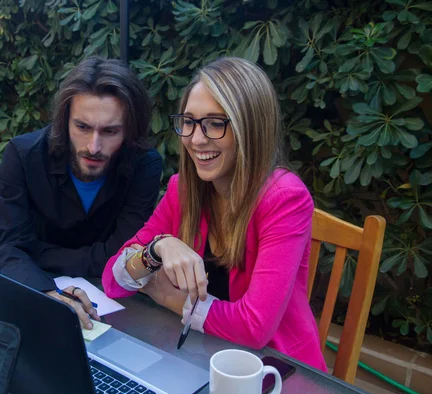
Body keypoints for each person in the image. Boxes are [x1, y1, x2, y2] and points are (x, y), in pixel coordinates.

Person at [101, 57, 327, 371]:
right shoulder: (184, 190)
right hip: (201, 355)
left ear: (251, 129)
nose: (195, 139)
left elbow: (254, 327)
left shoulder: (284, 199)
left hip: (275, 372)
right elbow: (114, 279)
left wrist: (169, 297)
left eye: (215, 123)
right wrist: (156, 250)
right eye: (189, 122)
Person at [0, 57, 162, 330]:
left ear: (129, 130)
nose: (94, 146)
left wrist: (37, 252)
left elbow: (122, 253)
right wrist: (46, 294)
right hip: (38, 291)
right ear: (64, 121)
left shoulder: (144, 165)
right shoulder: (23, 156)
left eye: (110, 131)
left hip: (113, 306)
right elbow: (8, 247)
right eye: (82, 127)